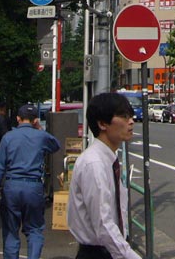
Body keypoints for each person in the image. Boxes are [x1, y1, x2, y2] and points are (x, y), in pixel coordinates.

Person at [67, 92, 141, 259]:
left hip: (107, 250)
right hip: (98, 252)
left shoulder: (108, 159)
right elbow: (103, 222)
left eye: (131, 116)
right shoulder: (95, 164)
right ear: (102, 123)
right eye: (123, 116)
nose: (131, 121)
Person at [0, 103, 61, 259]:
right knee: (35, 229)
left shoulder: (8, 137)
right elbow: (56, 145)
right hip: (33, 185)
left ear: (18, 118)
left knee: (11, 231)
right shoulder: (41, 136)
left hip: (12, 184)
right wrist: (40, 129)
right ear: (35, 120)